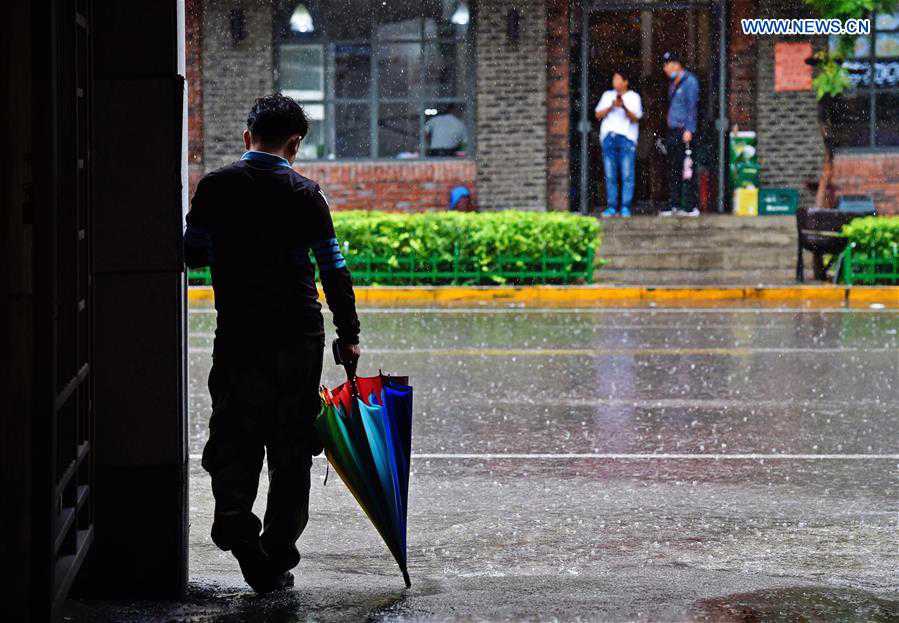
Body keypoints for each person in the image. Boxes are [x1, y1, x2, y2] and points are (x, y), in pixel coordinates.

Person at [183, 93, 361, 594]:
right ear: (295, 144)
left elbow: (193, 254)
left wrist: (231, 246)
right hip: (298, 336)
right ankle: (278, 553)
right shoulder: (307, 195)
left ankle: (238, 527)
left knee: (235, 436)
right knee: (291, 447)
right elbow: (334, 271)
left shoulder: (215, 187)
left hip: (239, 334)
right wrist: (349, 336)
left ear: (247, 136)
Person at [595, 71, 643, 217]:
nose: (615, 82)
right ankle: (611, 206)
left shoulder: (634, 97)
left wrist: (623, 107)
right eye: (614, 79)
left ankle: (625, 207)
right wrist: (611, 106)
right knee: (610, 174)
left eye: (618, 79)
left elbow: (636, 118)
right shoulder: (607, 95)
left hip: (627, 138)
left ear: (625, 82)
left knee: (627, 174)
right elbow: (597, 114)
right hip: (609, 137)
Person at [660, 51, 700, 217]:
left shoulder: (690, 82)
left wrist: (689, 129)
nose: (665, 69)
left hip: (685, 132)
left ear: (677, 65)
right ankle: (674, 204)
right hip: (673, 131)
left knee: (687, 169)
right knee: (674, 168)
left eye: (667, 65)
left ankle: (690, 206)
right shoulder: (673, 84)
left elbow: (692, 107)